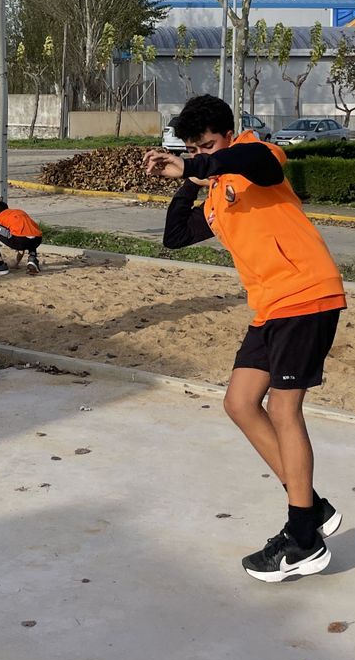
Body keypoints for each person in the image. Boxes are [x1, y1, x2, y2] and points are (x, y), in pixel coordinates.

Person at [143, 94, 344, 584]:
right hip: (270, 307)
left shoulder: (259, 156)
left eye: (206, 144)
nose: (199, 152)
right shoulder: (216, 192)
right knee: (239, 402)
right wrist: (189, 181)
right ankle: (312, 508)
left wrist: (199, 163)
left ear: (228, 135)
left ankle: (303, 538)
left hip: (307, 293)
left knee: (282, 409)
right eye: (191, 146)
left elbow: (255, 161)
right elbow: (175, 236)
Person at [0, 198, 44, 275]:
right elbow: (22, 248)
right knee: (30, 234)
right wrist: (16, 264)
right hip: (37, 239)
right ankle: (32, 259)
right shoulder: (19, 212)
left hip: (19, 240)